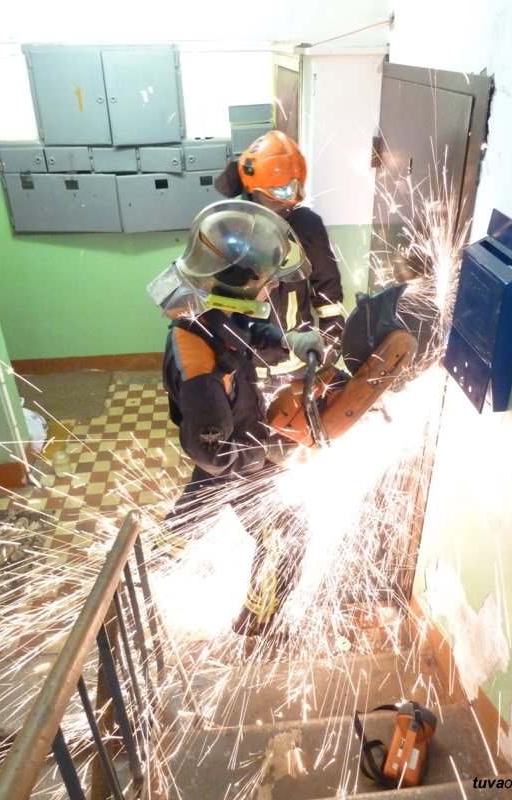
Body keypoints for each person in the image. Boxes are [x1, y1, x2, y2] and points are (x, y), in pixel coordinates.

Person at [148, 199, 327, 634]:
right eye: (265, 282)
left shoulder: (209, 311)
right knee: (284, 534)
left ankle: (152, 569)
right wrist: (274, 447)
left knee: (189, 520)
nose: (272, 288)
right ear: (237, 285)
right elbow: (215, 457)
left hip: (239, 440)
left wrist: (288, 341)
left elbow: (243, 331)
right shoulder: (199, 371)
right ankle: (255, 624)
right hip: (232, 461)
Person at [215, 131, 345, 379]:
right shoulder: (229, 229)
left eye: (294, 189)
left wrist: (331, 340)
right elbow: (216, 305)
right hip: (247, 364)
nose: (288, 201)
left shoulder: (306, 225)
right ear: (253, 188)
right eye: (281, 191)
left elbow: (327, 288)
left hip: (299, 360)